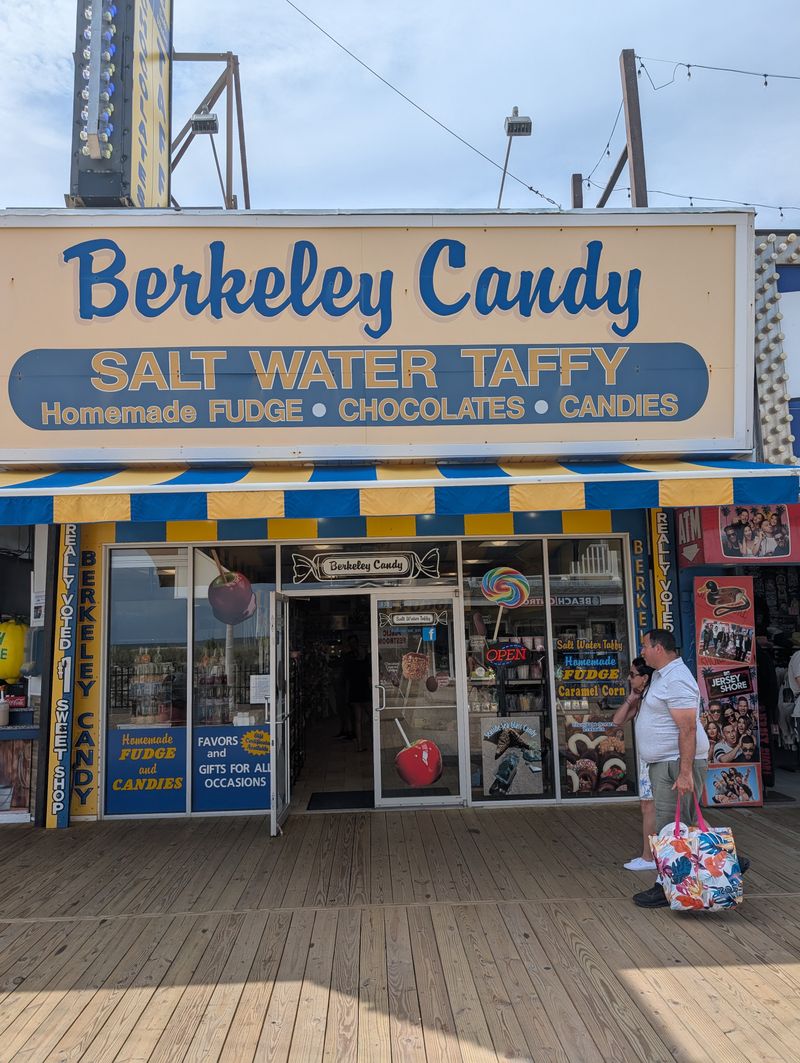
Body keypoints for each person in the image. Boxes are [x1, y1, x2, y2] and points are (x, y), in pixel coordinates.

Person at [631, 629, 712, 909]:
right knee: (682, 824)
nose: (642, 651)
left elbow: (688, 727)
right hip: (665, 762)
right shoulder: (661, 676)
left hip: (675, 763)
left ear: (659, 648)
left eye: (645, 646)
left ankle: (663, 886)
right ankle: (722, 863)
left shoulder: (677, 678)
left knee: (670, 826)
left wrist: (685, 771)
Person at [612, 657, 656, 871]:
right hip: (646, 760)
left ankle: (650, 857)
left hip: (659, 760)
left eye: (632, 675)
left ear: (645, 677)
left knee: (655, 807)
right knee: (646, 805)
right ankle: (650, 855)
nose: (629, 678)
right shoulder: (641, 698)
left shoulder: (656, 696)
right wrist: (632, 697)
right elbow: (617, 720)